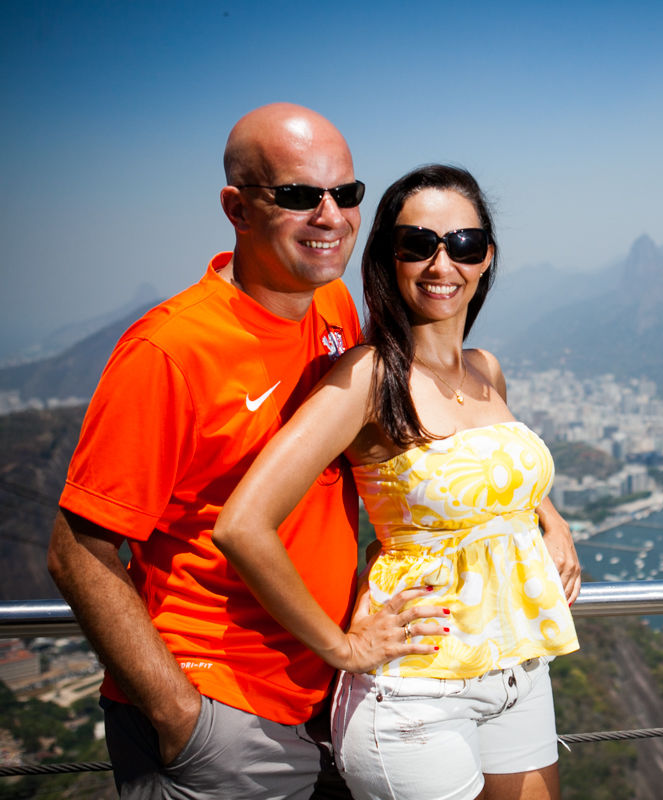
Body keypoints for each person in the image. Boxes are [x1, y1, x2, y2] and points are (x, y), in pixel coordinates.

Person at [46, 103, 442, 800]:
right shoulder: (169, 351)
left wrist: (537, 509)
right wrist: (179, 715)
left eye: (345, 194)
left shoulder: (333, 308)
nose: (331, 216)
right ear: (237, 207)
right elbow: (78, 550)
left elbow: (388, 446)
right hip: (220, 711)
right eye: (298, 195)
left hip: (322, 693)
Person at [213, 164, 581, 800]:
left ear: (486, 257)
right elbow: (242, 524)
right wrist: (344, 648)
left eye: (463, 244)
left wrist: (550, 519)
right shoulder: (367, 377)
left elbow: (492, 471)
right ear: (388, 257)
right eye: (419, 245)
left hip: (519, 666)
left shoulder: (485, 369)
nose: (443, 264)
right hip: (417, 691)